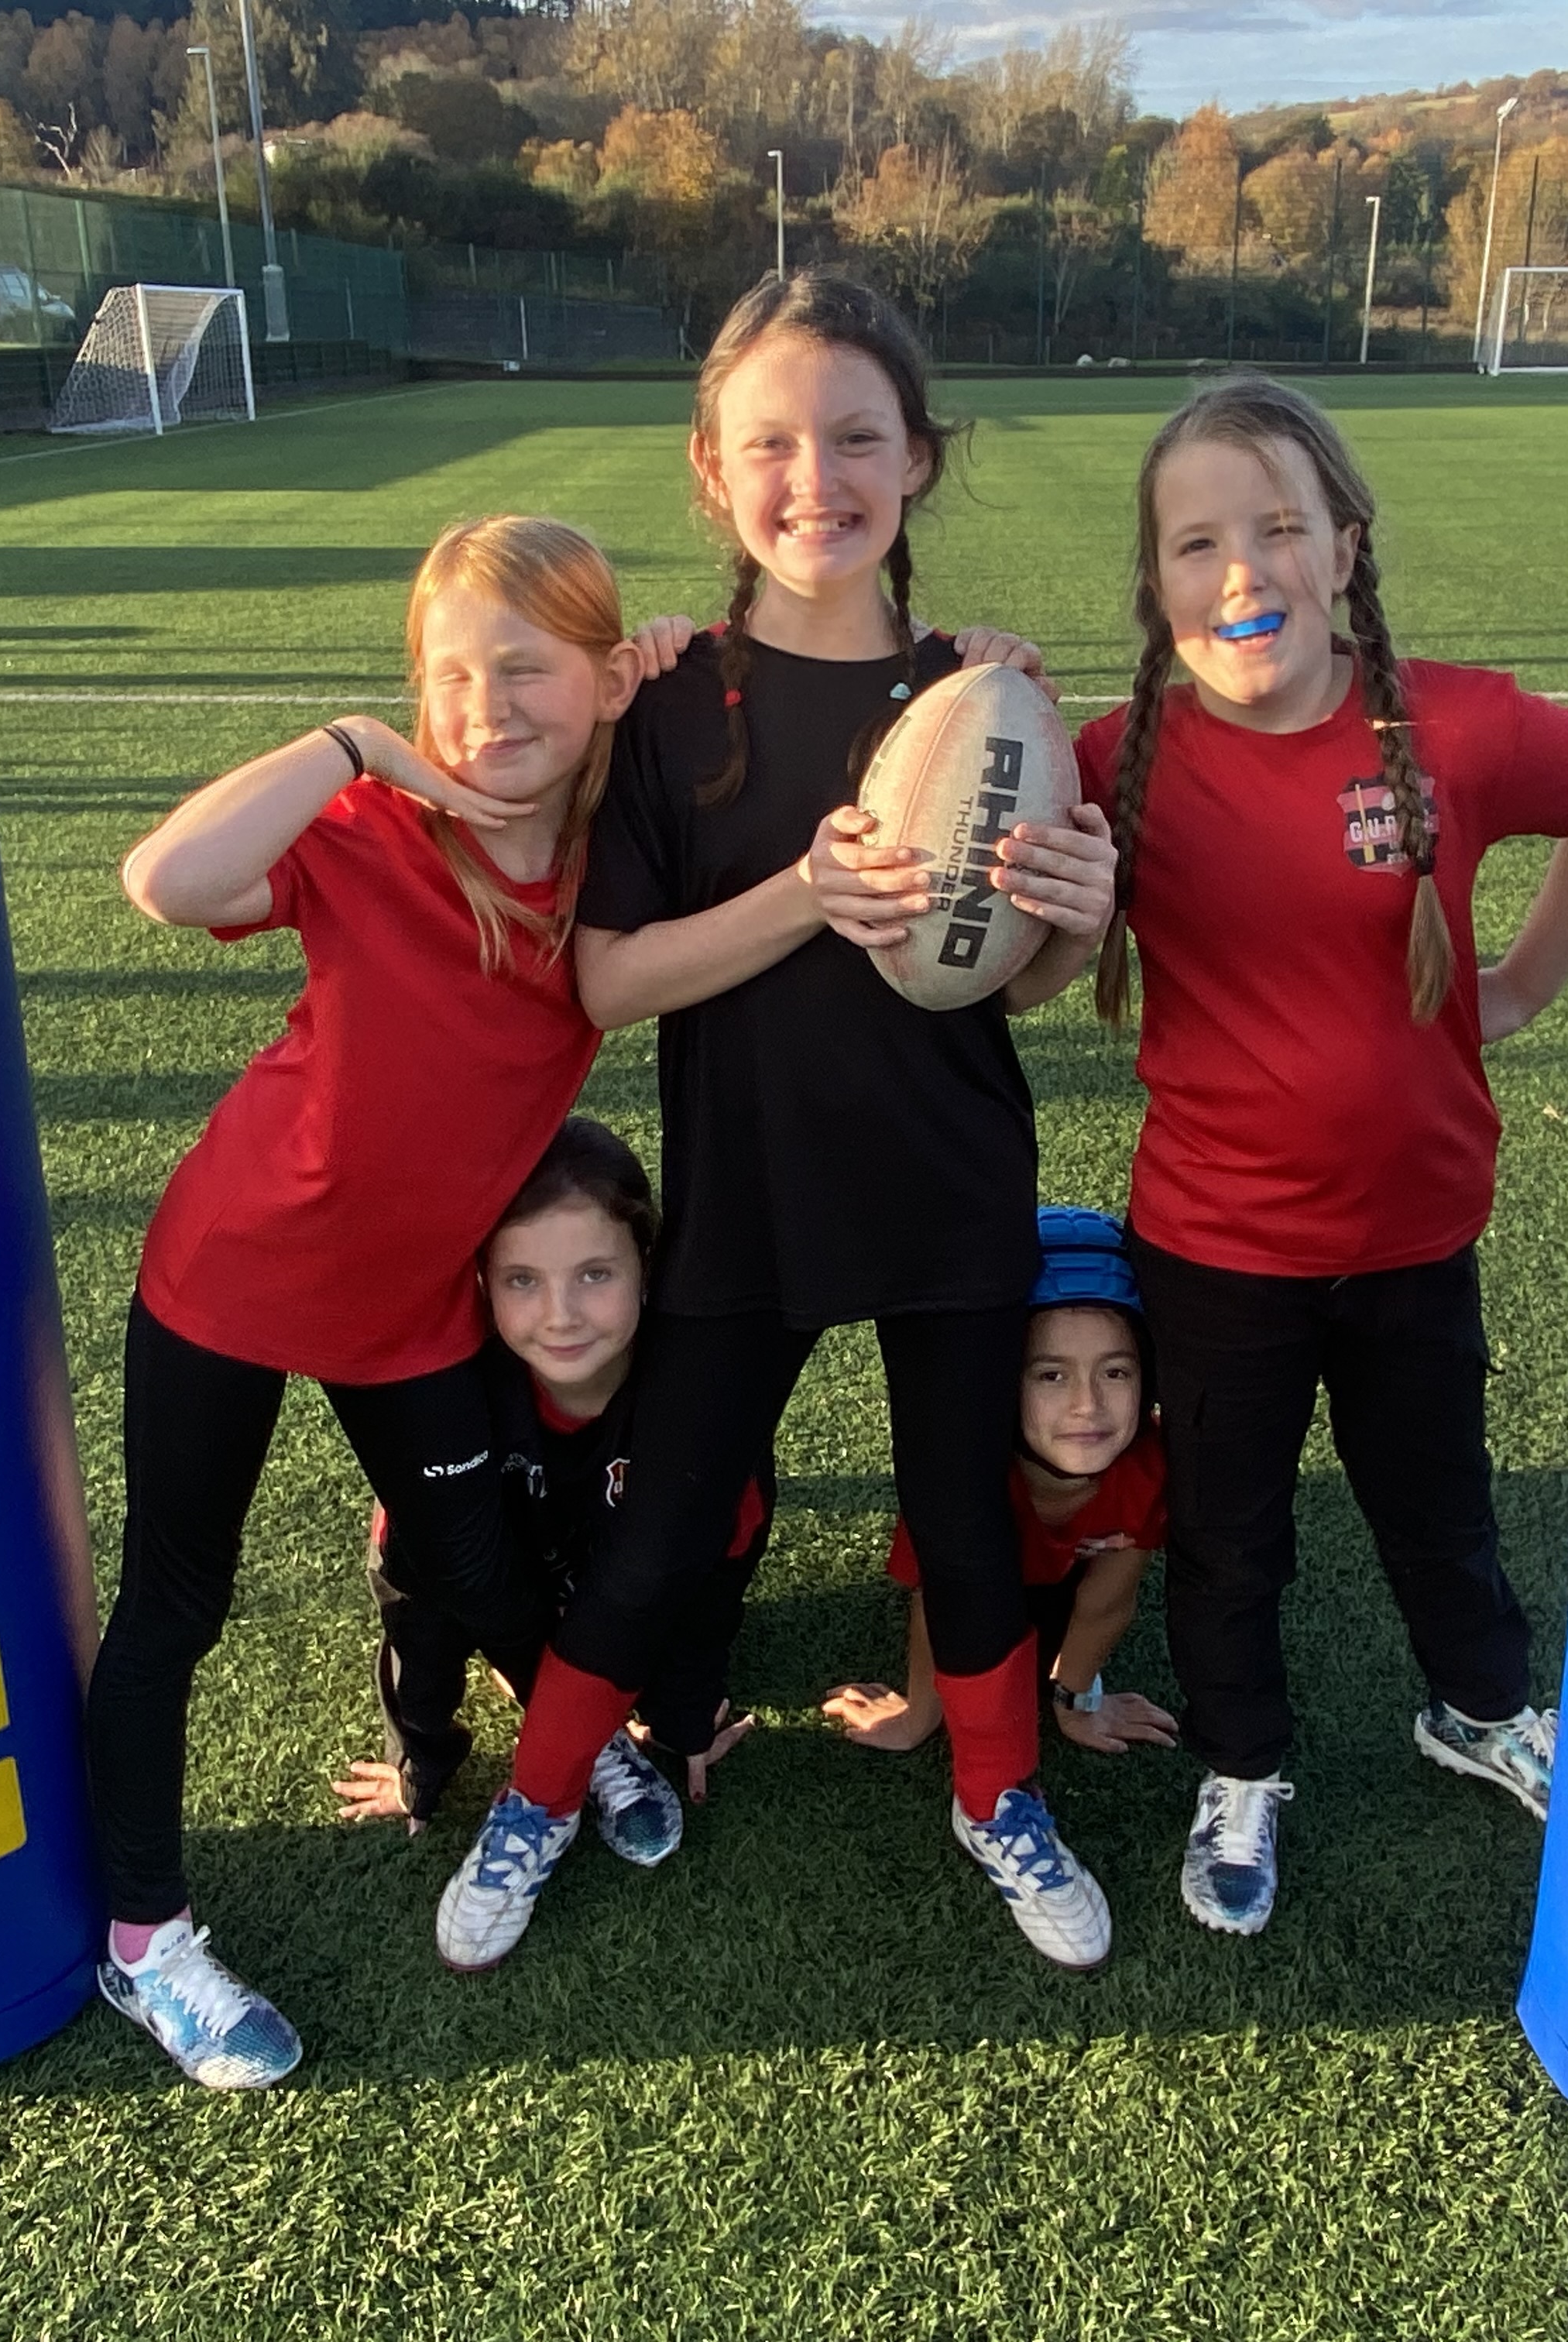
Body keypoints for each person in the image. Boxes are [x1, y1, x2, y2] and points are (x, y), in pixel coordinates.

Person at [434, 266, 1127, 1976]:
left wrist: (1082, 923)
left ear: (921, 462)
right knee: (665, 1512)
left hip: (951, 1173)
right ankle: (541, 1797)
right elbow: (606, 982)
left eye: (857, 437)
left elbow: (998, 981)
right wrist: (809, 892)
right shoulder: (669, 703)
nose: (816, 478)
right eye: (773, 444)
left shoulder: (993, 694)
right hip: (748, 1187)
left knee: (962, 1509)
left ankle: (997, 1794)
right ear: (710, 471)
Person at [87, 515, 699, 2087]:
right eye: (447, 677)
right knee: (177, 1606)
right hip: (229, 1270)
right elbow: (167, 879)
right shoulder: (372, 830)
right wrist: (358, 745)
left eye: (527, 665)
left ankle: (578, 1761)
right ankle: (143, 1942)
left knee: (479, 1570)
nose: (486, 704)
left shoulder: (613, 866)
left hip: (413, 1302)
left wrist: (681, 667)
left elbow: (749, 715)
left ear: (599, 669)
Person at [1082, 375, 1568, 1937]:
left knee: (1436, 1498)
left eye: (1279, 527)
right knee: (1229, 1531)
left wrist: (1526, 981)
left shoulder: (1455, 726)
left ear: (1346, 547)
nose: (1241, 572)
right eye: (1196, 541)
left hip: (1416, 1229)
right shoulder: (1107, 755)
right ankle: (1242, 1764)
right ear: (1156, 580)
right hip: (1212, 1248)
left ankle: (1477, 1706)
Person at [334, 1118, 771, 1837]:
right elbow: (412, 1587)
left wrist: (684, 1711)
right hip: (510, 1597)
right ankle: (534, 1674)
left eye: (595, 1274)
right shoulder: (459, 1400)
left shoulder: (697, 1403)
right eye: (522, 1281)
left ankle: (584, 1683)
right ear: (482, 1282)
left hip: (626, 1598)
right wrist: (420, 1750)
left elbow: (720, 1569)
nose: (560, 1316)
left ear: (648, 1266)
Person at [825, 1205, 1177, 1760]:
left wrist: (1077, 1699)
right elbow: (936, 1602)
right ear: (1000, 1384)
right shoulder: (956, 1473)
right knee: (982, 1618)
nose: (1088, 1405)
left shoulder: (1148, 1465)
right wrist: (920, 1713)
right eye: (1051, 1375)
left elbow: (1109, 1600)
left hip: (1063, 1582)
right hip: (974, 1579)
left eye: (1116, 1372)